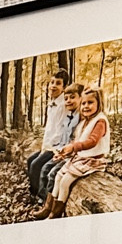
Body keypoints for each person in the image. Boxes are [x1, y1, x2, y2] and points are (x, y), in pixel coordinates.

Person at [38, 85, 110, 218]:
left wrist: (74, 147)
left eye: (90, 102)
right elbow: (77, 141)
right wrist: (65, 151)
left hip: (93, 160)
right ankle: (48, 207)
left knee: (65, 181)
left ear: (99, 103)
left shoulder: (100, 121)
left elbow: (91, 142)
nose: (86, 106)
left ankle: (55, 213)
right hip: (80, 158)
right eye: (83, 103)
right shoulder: (84, 122)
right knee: (59, 175)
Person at [26, 78, 82, 207]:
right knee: (30, 160)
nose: (53, 86)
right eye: (52, 82)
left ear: (64, 86)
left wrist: (53, 148)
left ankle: (42, 198)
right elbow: (52, 129)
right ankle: (33, 193)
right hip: (53, 145)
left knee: (38, 165)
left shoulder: (64, 106)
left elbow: (62, 133)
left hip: (58, 147)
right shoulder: (53, 104)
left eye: (58, 83)